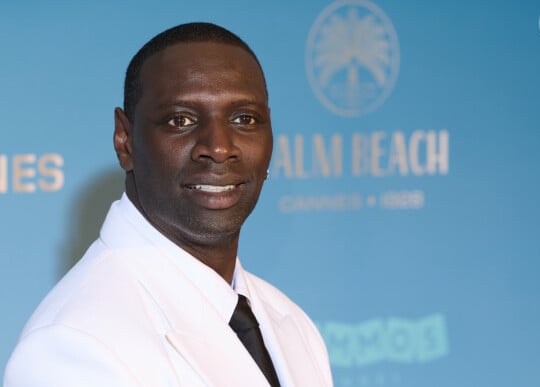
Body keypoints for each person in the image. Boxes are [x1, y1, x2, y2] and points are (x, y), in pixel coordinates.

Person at [3, 22, 333, 387]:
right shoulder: (72, 345)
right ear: (125, 140)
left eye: (244, 119)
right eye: (182, 120)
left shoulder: (291, 324)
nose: (220, 147)